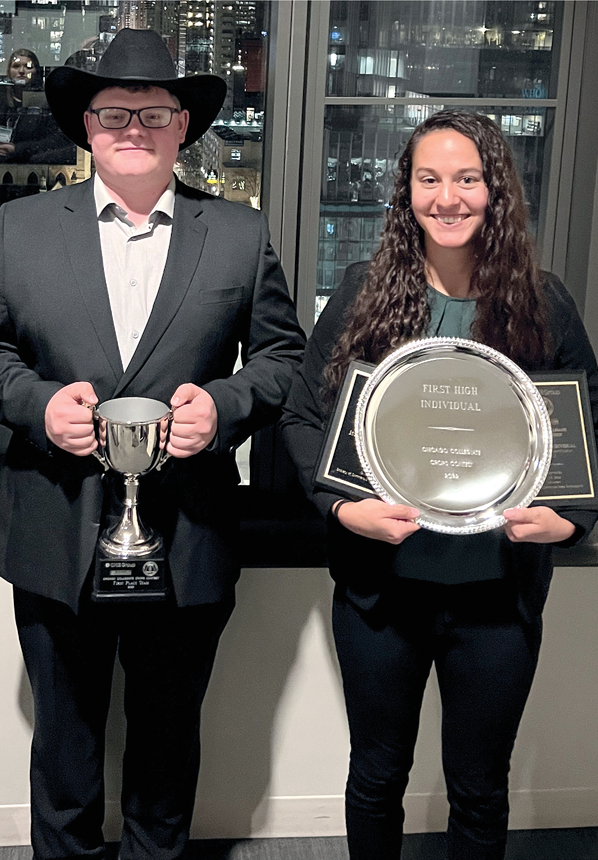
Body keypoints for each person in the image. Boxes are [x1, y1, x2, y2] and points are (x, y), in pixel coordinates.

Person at [0, 28, 305, 860]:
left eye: (154, 111)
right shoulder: (25, 224)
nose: (134, 128)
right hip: (54, 526)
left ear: (185, 125)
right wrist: (38, 406)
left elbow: (285, 358)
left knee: (166, 745)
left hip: (188, 534)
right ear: (87, 125)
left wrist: (223, 406)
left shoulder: (239, 234)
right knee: (66, 751)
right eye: (114, 112)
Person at [280, 109, 598, 860]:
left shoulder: (543, 303)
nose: (447, 197)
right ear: (407, 192)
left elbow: (587, 427)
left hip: (497, 599)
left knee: (481, 790)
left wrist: (573, 520)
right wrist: (343, 508)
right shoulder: (362, 293)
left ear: (495, 193)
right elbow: (299, 418)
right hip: (381, 595)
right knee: (376, 777)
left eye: (466, 178)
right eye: (429, 179)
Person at [0, 48, 74, 164]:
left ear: (36, 71)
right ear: (9, 71)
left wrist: (18, 149)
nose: (21, 71)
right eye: (16, 66)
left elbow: (57, 141)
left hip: (33, 165)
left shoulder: (47, 101)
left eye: (28, 67)